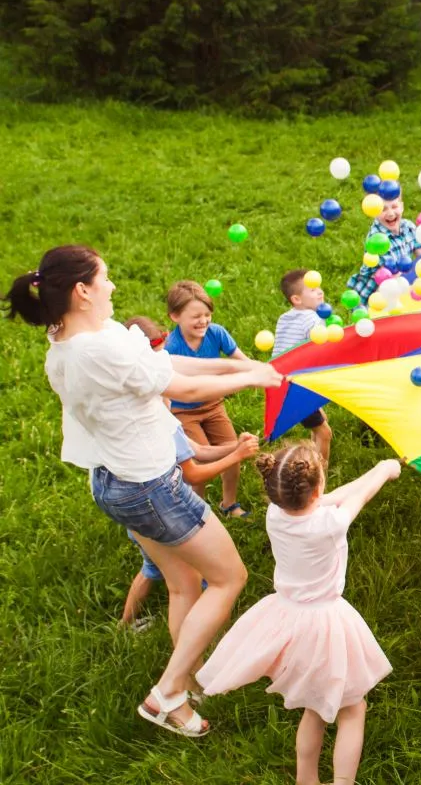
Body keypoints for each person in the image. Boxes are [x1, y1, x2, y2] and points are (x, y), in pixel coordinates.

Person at [4, 245, 282, 737]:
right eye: (105, 279)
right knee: (228, 577)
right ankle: (167, 693)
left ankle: (187, 683)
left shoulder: (70, 339)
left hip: (114, 481)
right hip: (150, 486)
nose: (112, 286)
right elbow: (180, 387)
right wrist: (252, 378)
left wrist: (239, 370)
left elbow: (169, 365)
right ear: (82, 290)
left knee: (183, 584)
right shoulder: (99, 350)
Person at [196, 445, 399, 785]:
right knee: (353, 708)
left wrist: (378, 469)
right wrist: (384, 469)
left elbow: (333, 497)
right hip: (324, 625)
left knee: (315, 707)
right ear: (316, 490)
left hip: (288, 619)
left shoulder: (275, 514)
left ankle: (306, 780)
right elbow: (356, 499)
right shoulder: (329, 524)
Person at [121, 426, 260, 630]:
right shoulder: (157, 425)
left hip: (142, 514)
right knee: (201, 580)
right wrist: (236, 455)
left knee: (151, 568)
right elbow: (193, 475)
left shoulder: (154, 420)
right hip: (167, 514)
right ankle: (211, 633)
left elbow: (199, 451)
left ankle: (125, 624)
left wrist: (236, 447)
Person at [165, 280, 251, 518]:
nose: (203, 321)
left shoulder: (216, 333)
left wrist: (260, 371)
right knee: (199, 465)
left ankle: (229, 504)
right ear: (175, 316)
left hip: (213, 406)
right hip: (183, 413)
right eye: (195, 316)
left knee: (232, 453)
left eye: (207, 314)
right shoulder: (171, 347)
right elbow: (173, 388)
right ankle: (198, 513)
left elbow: (241, 360)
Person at [272, 269, 333, 463]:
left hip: (282, 380)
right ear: (297, 299)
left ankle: (312, 459)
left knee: (320, 420)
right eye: (313, 289)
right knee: (325, 432)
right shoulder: (313, 319)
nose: (320, 292)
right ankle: (319, 475)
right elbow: (322, 350)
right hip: (297, 386)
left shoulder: (285, 318)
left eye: (319, 287)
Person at [347, 195, 419, 303]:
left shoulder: (408, 226)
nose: (390, 213)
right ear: (374, 212)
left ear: (402, 206)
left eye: (394, 207)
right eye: (383, 209)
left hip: (401, 280)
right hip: (376, 292)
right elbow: (392, 275)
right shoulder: (377, 239)